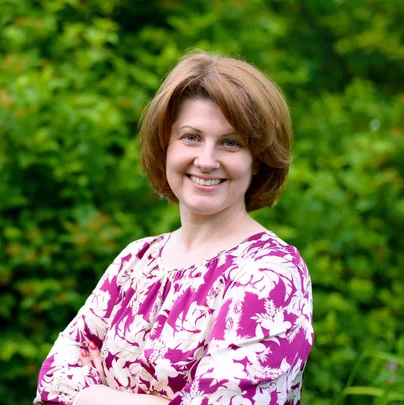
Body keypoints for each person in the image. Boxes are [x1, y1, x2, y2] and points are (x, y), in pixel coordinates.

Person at [34, 50, 314, 405]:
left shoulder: (270, 275)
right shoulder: (137, 259)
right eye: (191, 137)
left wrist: (88, 395)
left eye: (231, 142)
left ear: (257, 160)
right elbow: (53, 379)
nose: (207, 161)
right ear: (165, 144)